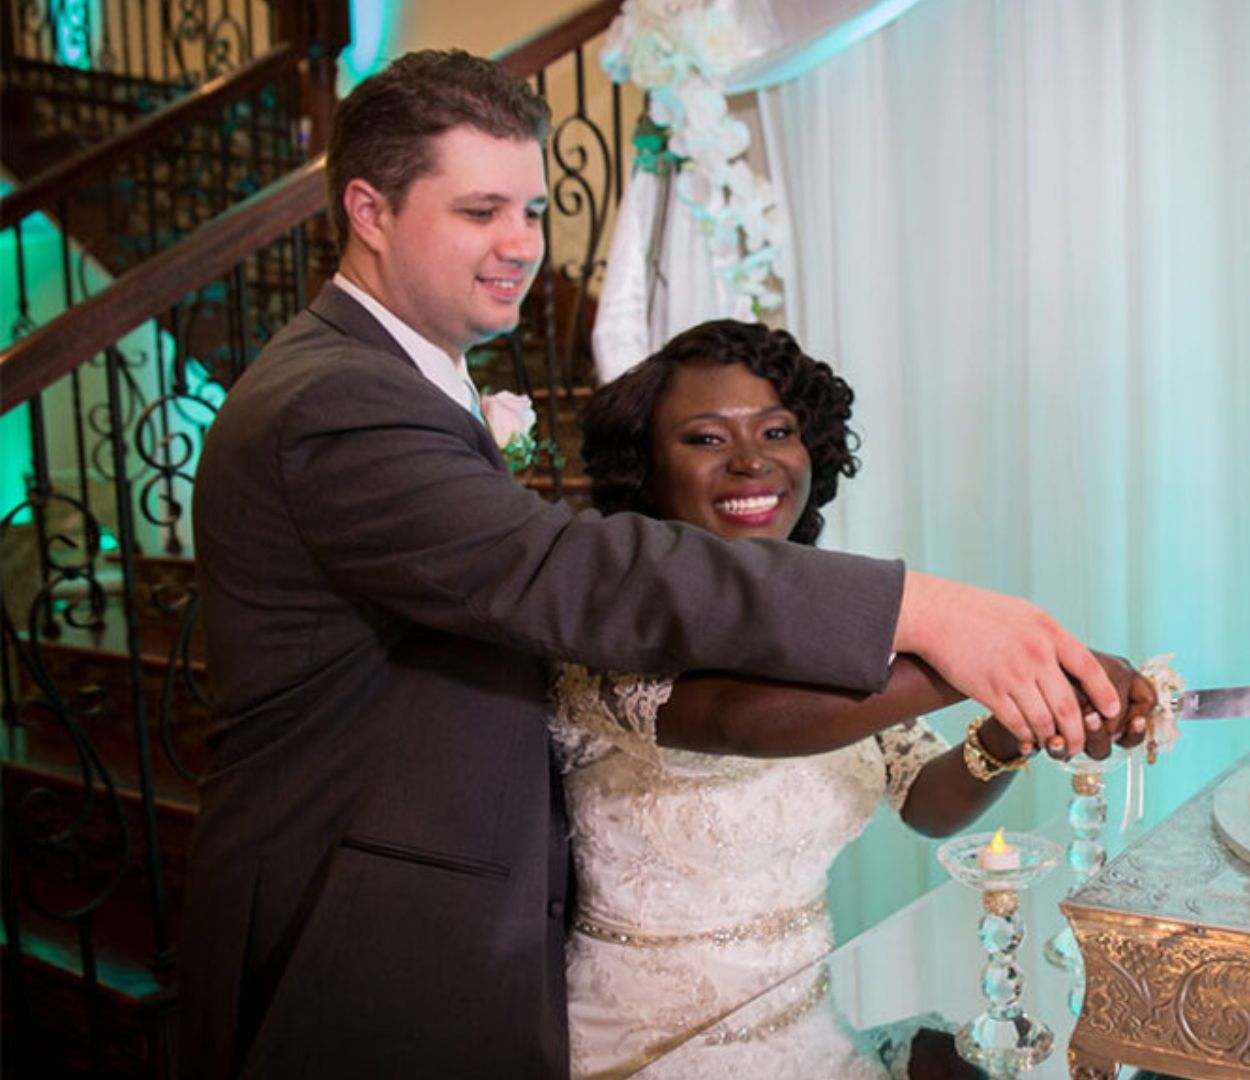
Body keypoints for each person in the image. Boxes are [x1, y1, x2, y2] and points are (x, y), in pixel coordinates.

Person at [179, 50, 1120, 1079]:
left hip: (524, 946)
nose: (520, 245)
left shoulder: (412, 383)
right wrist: (935, 619)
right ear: (368, 209)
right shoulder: (335, 398)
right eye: (479, 211)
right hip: (358, 930)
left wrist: (1003, 706)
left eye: (532, 211)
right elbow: (564, 572)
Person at [553, 320, 1155, 1077]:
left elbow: (927, 802)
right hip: (643, 1053)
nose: (751, 460)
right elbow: (739, 721)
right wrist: (975, 658)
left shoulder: (833, 621)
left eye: (777, 431)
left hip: (811, 1036)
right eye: (706, 438)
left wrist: (1014, 725)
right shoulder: (602, 619)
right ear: (642, 470)